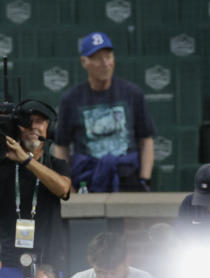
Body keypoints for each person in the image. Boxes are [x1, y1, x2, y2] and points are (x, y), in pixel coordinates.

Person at [0, 102, 72, 278]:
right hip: (2, 263)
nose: (33, 127)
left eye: (40, 121)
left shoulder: (55, 165)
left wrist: (25, 160)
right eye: (27, 122)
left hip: (46, 262)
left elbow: (63, 189)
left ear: (49, 128)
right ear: (17, 129)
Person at [54, 31, 155, 192]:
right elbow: (61, 147)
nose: (105, 63)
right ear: (84, 62)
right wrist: (67, 185)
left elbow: (146, 140)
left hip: (127, 177)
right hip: (88, 179)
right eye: (97, 58)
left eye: (108, 57)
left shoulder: (132, 93)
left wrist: (144, 180)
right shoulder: (71, 99)